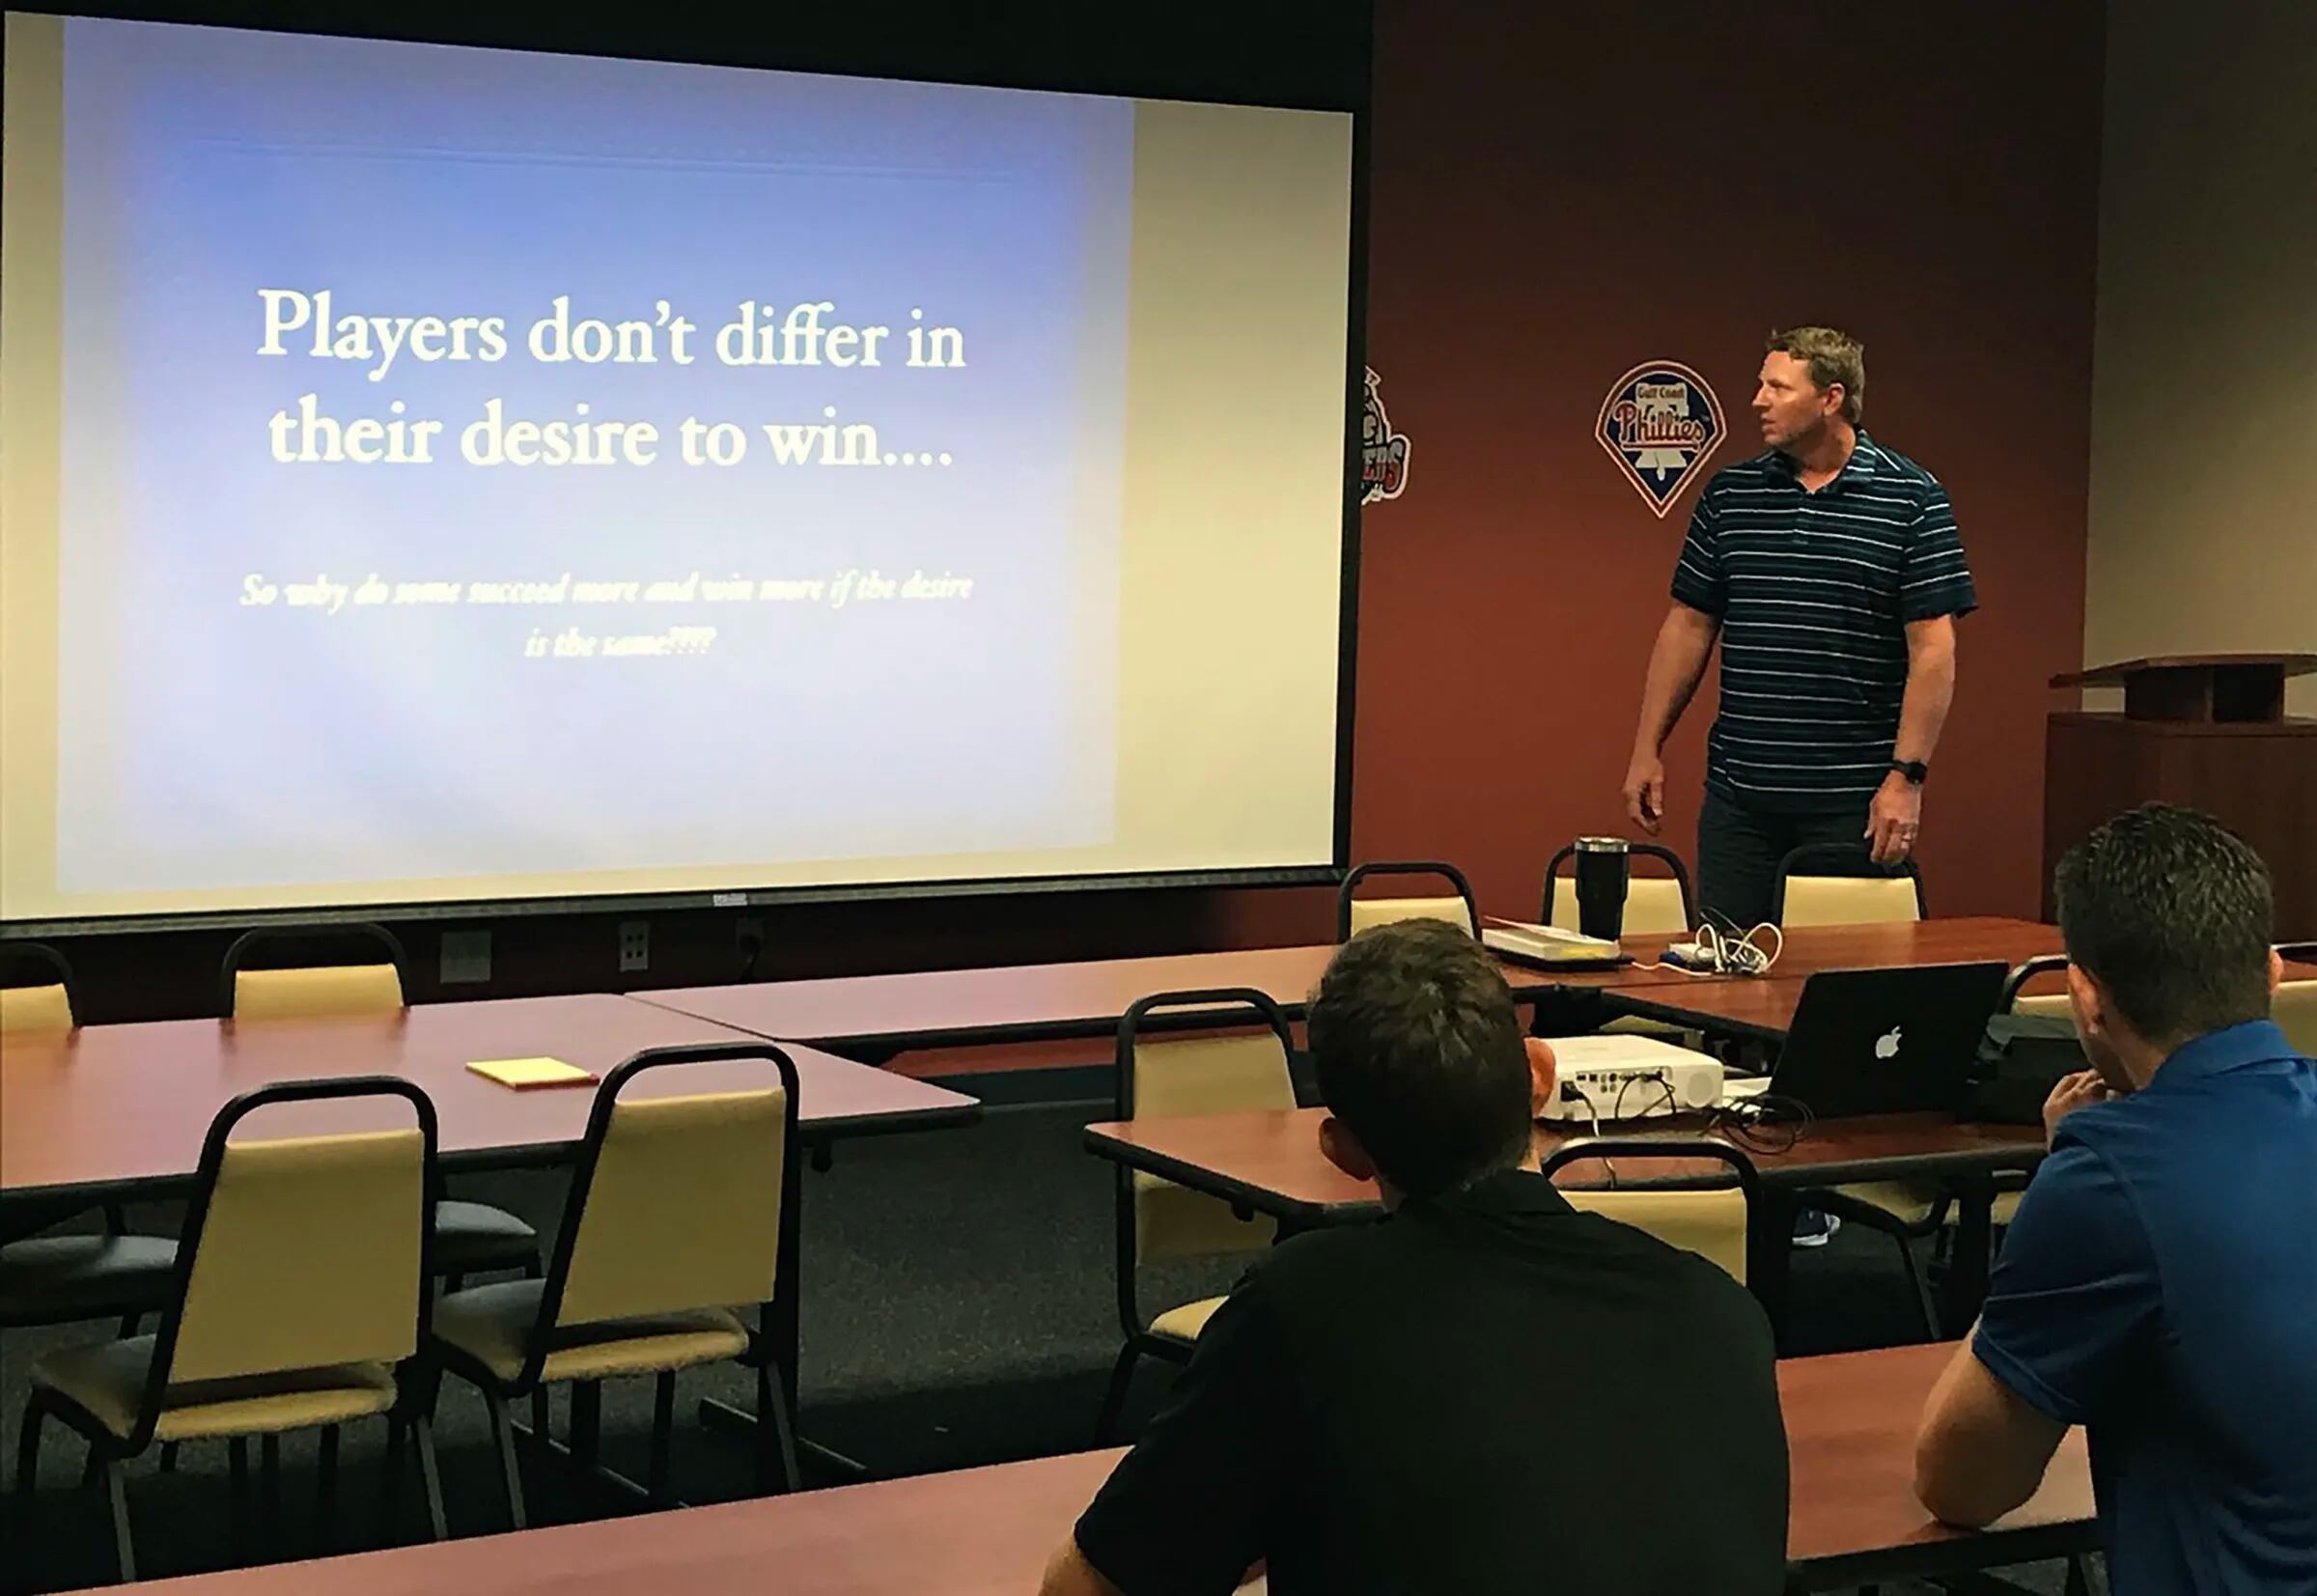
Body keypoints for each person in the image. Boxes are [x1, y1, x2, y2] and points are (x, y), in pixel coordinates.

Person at [1041, 919, 1788, 1596]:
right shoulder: (1719, 1305)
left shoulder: (1304, 1312)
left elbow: (1088, 1590)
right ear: (1539, 1075)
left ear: (1343, 1150)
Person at [1913, 804, 2317, 1592]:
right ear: (2270, 970)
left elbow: (1959, 1484)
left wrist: (2070, 1168)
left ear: (2086, 997)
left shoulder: (2108, 1180)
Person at [1620, 326, 1977, 931]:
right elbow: (1688, 625)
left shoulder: (1913, 498)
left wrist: (1906, 779)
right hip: (1742, 799)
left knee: (1847, 993)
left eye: (1776, 387)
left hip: (1853, 802)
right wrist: (1646, 749)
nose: (1758, 400)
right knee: (1727, 985)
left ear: (1831, 398)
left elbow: (1933, 651)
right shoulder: (1731, 495)